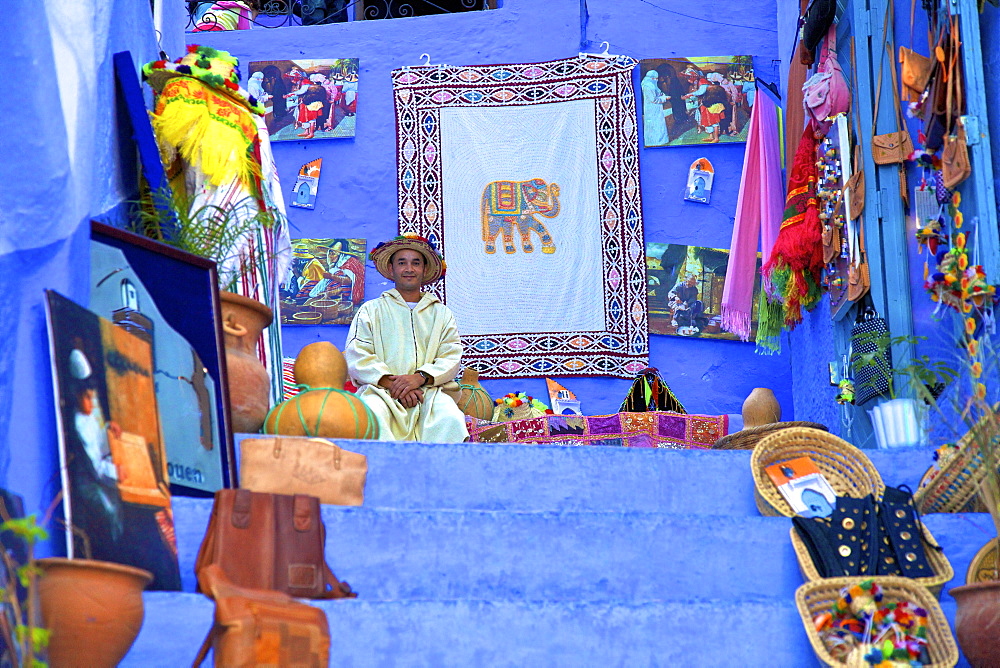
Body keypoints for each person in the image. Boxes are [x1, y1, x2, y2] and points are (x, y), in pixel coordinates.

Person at [344, 235, 468, 443]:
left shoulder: (441, 314)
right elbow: (357, 353)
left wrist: (419, 378)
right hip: (381, 393)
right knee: (371, 416)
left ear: (424, 269)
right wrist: (392, 384)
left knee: (451, 419)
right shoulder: (371, 310)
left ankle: (438, 475)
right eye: (402, 263)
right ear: (392, 269)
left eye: (415, 263)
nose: (409, 269)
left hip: (428, 393)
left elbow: (451, 356)